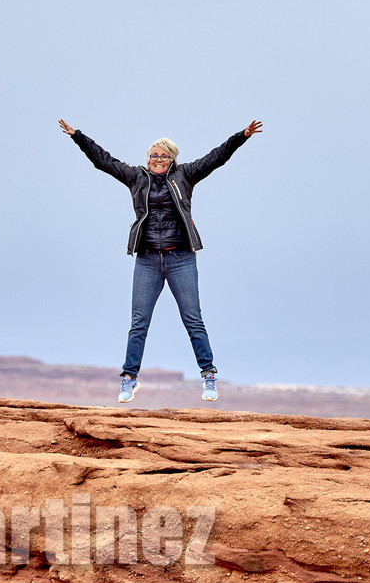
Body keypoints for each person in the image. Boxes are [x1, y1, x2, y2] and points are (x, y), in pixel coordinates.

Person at [58, 118, 263, 403]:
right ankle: (129, 380)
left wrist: (241, 136)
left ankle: (209, 375)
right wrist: (78, 137)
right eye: (153, 155)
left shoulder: (186, 175)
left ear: (172, 160)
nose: (157, 159)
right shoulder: (135, 177)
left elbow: (217, 157)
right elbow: (103, 161)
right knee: (139, 322)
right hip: (147, 260)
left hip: (180, 258)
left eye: (163, 156)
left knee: (193, 319)